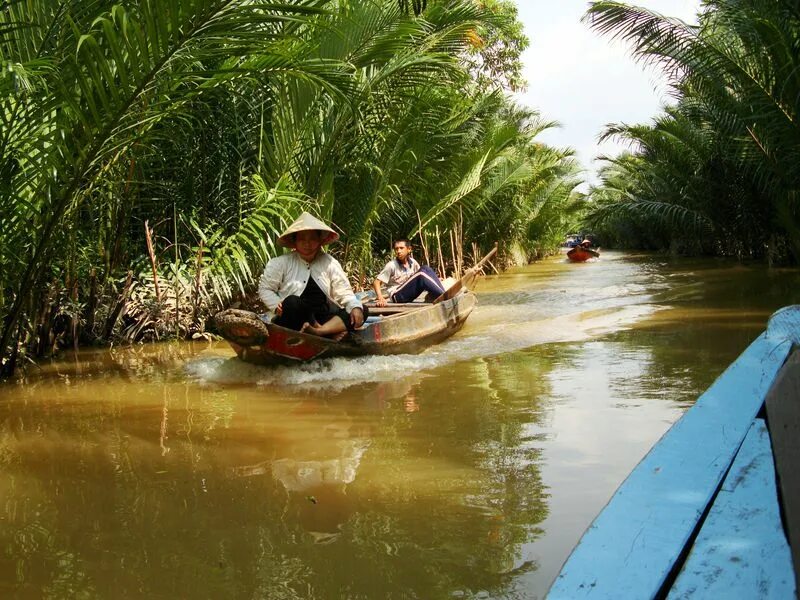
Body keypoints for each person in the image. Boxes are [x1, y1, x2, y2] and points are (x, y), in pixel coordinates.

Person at [258, 212, 366, 338]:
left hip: (323, 318)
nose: (307, 244)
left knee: (361, 309)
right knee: (291, 302)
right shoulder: (281, 263)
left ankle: (320, 331)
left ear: (320, 241)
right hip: (295, 317)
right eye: (302, 239)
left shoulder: (329, 262)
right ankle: (329, 332)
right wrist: (276, 305)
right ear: (295, 241)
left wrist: (355, 308)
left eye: (312, 239)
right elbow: (265, 288)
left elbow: (345, 293)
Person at [372, 238, 446, 307]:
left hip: (408, 293)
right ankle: (444, 296)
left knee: (425, 268)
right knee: (421, 275)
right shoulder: (391, 265)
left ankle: (442, 293)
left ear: (409, 249)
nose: (398, 251)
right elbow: (376, 282)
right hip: (397, 296)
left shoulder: (413, 262)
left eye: (401, 248)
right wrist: (380, 298)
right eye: (396, 249)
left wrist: (436, 279)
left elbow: (423, 274)